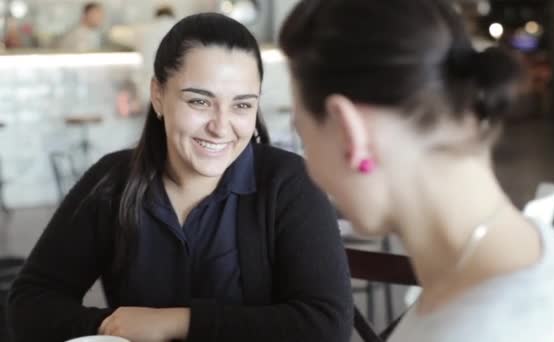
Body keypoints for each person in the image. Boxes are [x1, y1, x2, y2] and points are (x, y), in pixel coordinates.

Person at [8, 13, 352, 342]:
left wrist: (172, 323)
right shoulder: (112, 183)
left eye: (242, 105)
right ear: (158, 95)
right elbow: (29, 304)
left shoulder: (289, 183)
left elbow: (326, 326)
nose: (221, 126)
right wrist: (111, 326)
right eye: (200, 101)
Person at [279, 1, 554, 342]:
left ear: (349, 133)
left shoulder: (480, 329)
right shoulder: (543, 244)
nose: (311, 168)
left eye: (303, 134)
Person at [109, 5, 178, 101]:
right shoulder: (180, 30)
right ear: (172, 15)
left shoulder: (144, 30)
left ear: (156, 17)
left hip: (147, 84)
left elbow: (116, 36)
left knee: (151, 112)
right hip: (172, 84)